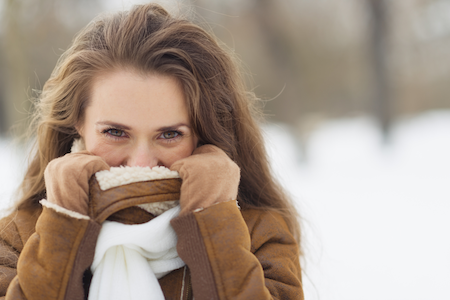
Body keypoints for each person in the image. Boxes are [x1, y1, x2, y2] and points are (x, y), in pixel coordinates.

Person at [0, 3, 303, 300]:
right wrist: (63, 226)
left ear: (202, 131)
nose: (142, 163)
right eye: (115, 132)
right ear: (78, 123)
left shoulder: (259, 234)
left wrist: (212, 220)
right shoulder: (18, 237)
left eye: (170, 134)